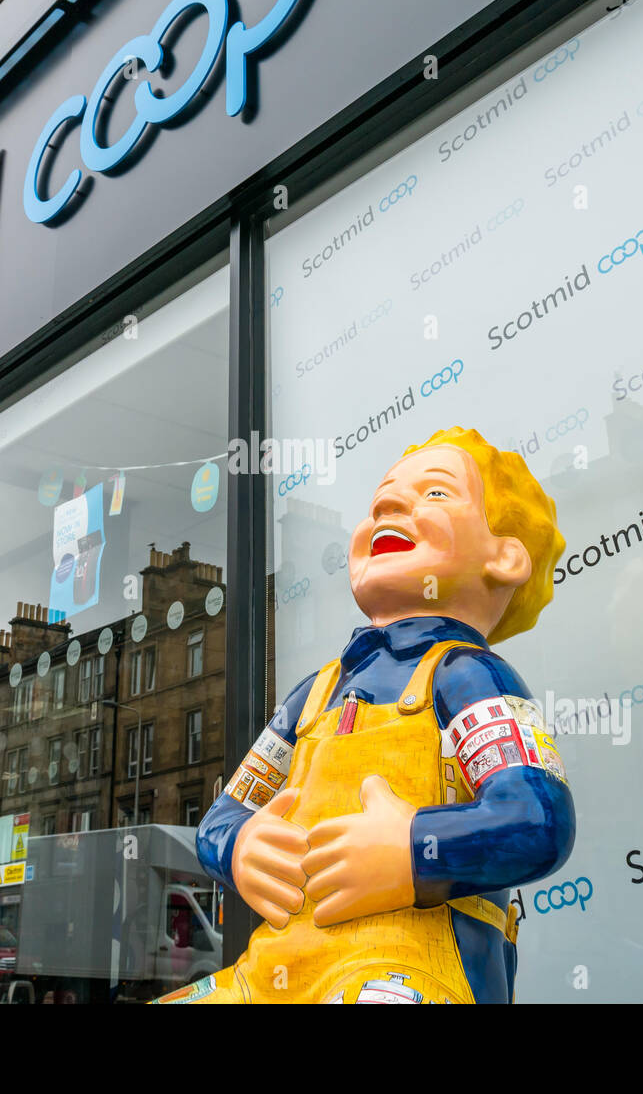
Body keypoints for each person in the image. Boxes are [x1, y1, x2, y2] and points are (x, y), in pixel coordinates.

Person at [156, 426, 576, 1004]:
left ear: (505, 557)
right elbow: (223, 815)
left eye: (435, 493)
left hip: (410, 971)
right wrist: (240, 843)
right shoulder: (316, 692)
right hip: (272, 972)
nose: (388, 506)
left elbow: (538, 818)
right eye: (382, 498)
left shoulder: (467, 677)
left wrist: (412, 848)